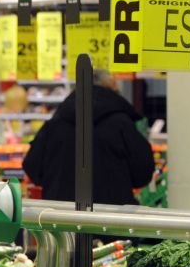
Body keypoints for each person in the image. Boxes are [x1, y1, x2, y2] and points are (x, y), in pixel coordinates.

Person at [23, 70, 156, 206]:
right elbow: (143, 172)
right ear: (112, 88)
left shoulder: (56, 124)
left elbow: (32, 167)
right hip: (112, 216)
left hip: (62, 216)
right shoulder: (122, 124)